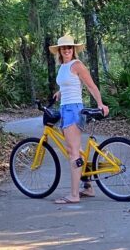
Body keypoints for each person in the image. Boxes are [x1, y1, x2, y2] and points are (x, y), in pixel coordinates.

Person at [48, 34, 109, 204]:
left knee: (73, 152)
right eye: (63, 48)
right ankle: (88, 187)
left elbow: (90, 85)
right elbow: (68, 84)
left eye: (69, 47)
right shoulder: (63, 66)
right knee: (75, 150)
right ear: (59, 50)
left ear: (73, 49)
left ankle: (74, 195)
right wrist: (60, 93)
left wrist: (100, 104)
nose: (66, 50)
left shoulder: (77, 65)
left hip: (74, 110)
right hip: (65, 108)